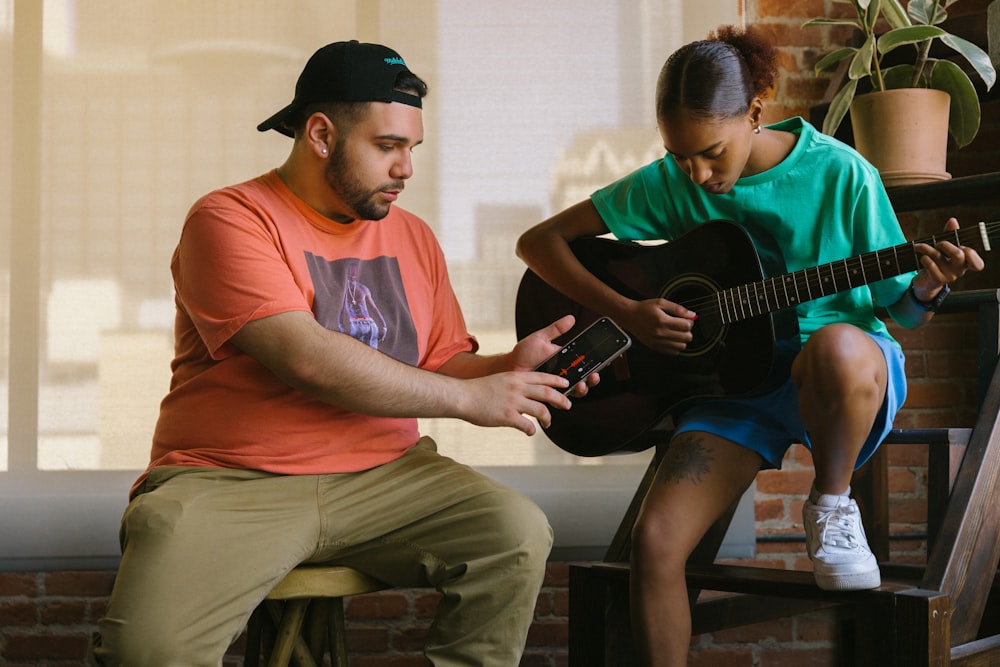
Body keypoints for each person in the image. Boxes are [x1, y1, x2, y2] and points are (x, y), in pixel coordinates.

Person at [89, 40, 596, 667]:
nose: (406, 168)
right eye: (387, 147)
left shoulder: (413, 235)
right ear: (321, 135)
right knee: (147, 651)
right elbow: (304, 356)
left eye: (412, 148)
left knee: (514, 534)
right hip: (233, 479)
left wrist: (505, 369)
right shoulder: (230, 219)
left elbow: (439, 364)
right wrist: (470, 397)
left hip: (387, 475)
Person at [515, 25, 984, 667]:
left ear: (755, 113)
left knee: (835, 347)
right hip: (735, 389)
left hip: (842, 380)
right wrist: (628, 311)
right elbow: (538, 245)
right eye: (680, 157)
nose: (698, 174)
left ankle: (831, 502)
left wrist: (929, 286)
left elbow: (900, 310)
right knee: (655, 544)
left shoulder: (842, 173)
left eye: (710, 152)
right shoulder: (674, 181)